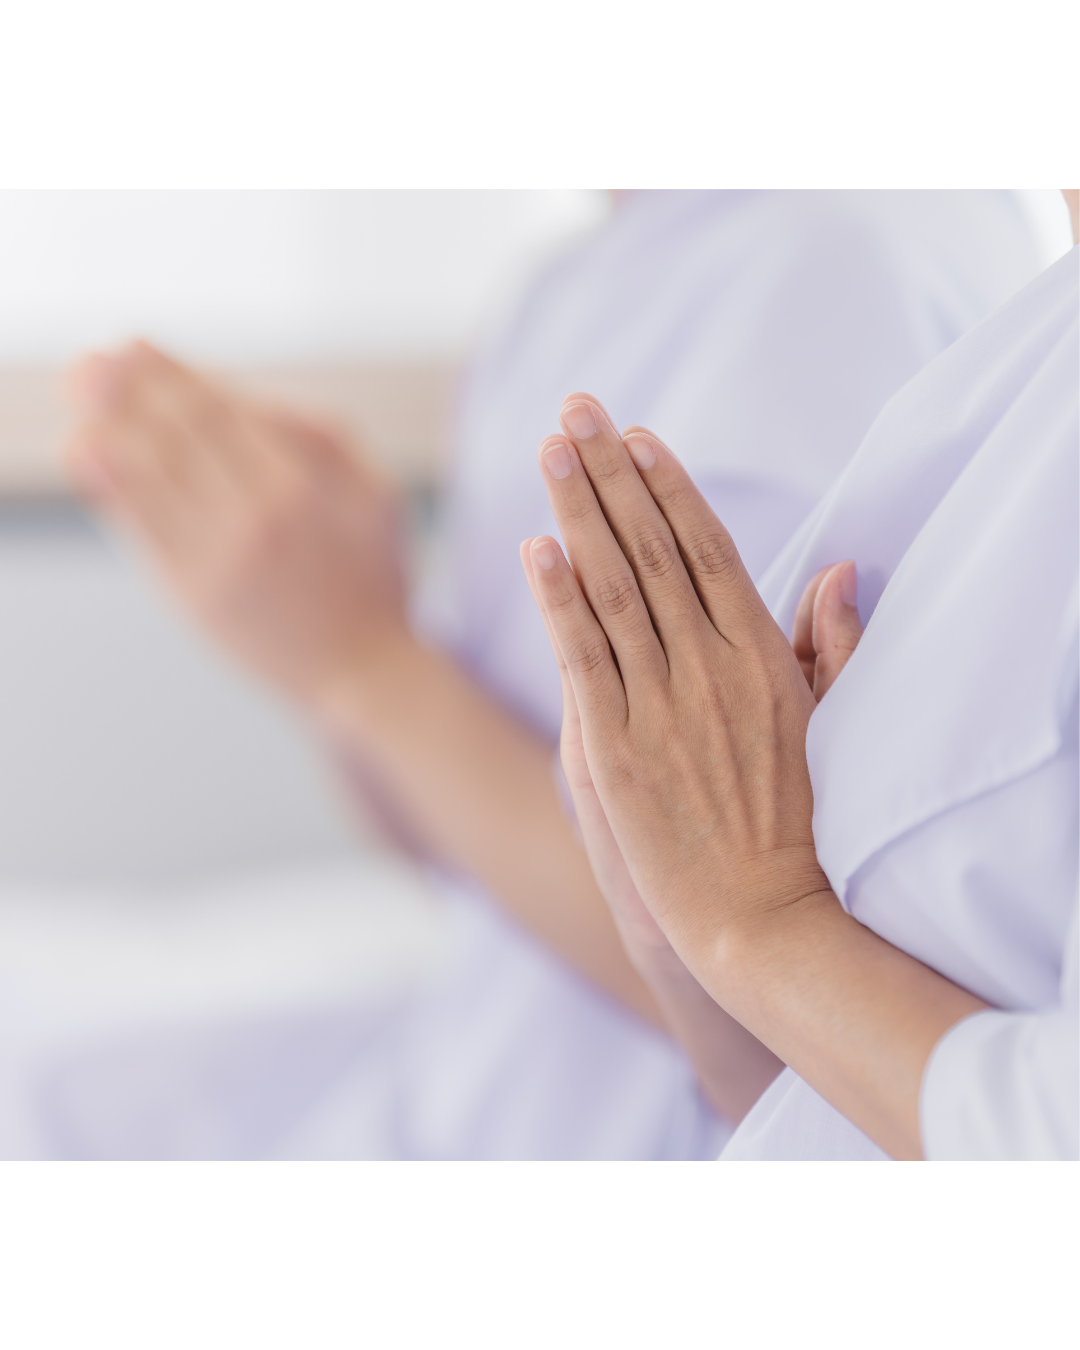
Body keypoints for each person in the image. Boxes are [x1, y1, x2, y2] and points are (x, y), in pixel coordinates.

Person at [61, 191, 1039, 1159]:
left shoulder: (836, 266)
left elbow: (757, 960)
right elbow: (466, 863)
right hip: (465, 1092)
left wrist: (367, 666)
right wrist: (335, 636)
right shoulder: (563, 286)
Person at [521, 191, 1080, 1160]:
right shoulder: (1027, 356)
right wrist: (679, 922)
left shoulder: (846, 262)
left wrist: (757, 921)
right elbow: (795, 1096)